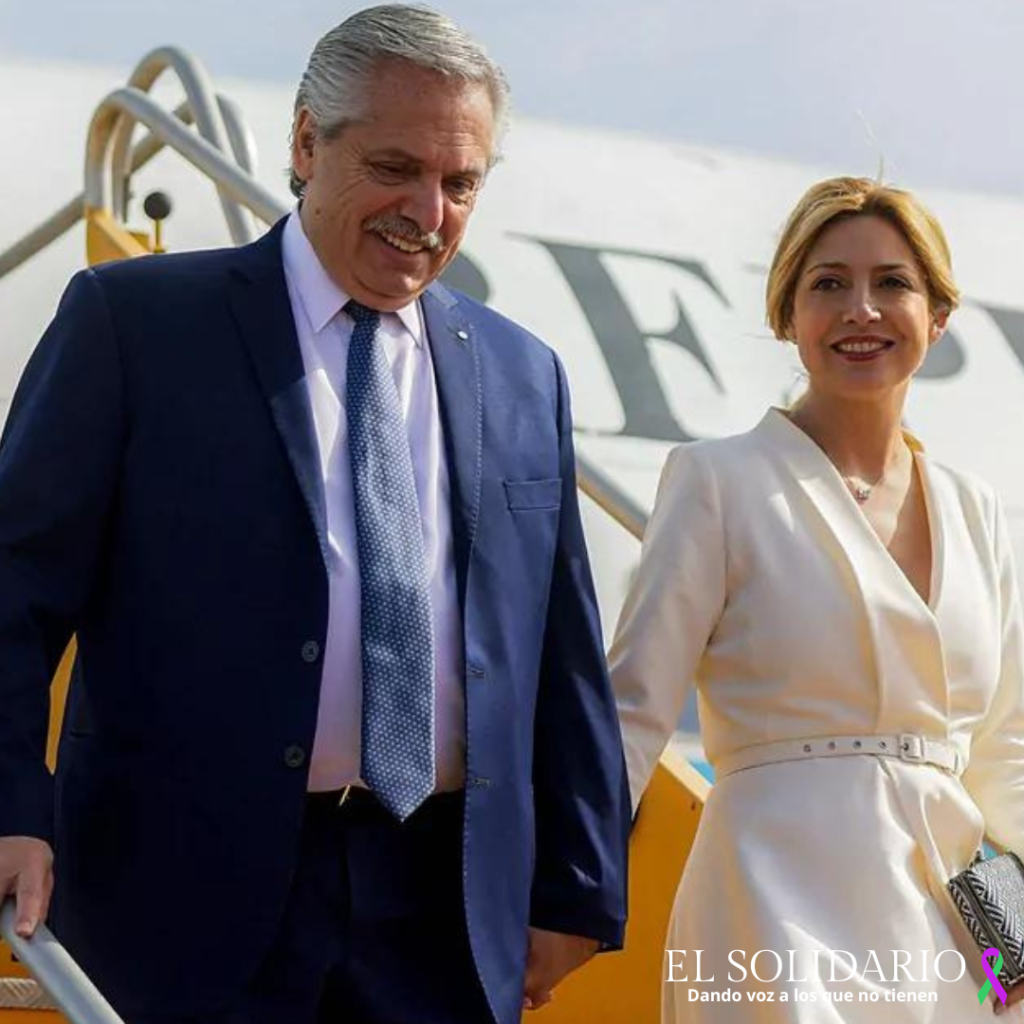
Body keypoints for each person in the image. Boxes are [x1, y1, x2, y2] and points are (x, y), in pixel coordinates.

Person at [0, 7, 630, 1023]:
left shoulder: (523, 373)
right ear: (304, 142)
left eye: (460, 182)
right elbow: (13, 586)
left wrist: (578, 885)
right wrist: (9, 810)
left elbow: (557, 644)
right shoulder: (138, 327)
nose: (427, 209)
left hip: (445, 903)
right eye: (395, 166)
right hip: (187, 893)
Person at [610, 176, 1024, 1021]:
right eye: (828, 284)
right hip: (770, 907)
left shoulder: (978, 511)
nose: (860, 309)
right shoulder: (718, 479)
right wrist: (558, 895)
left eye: (893, 284)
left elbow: (1005, 751)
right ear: (787, 317)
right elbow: (631, 710)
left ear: (938, 317)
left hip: (949, 927)